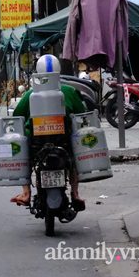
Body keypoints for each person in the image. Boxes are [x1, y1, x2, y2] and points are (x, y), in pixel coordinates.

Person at [11, 55, 87, 211]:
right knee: (73, 159)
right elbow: (82, 114)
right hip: (63, 140)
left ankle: (26, 193)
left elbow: (17, 116)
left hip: (37, 142)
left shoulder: (31, 94)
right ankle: (75, 193)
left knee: (23, 157)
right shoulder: (69, 91)